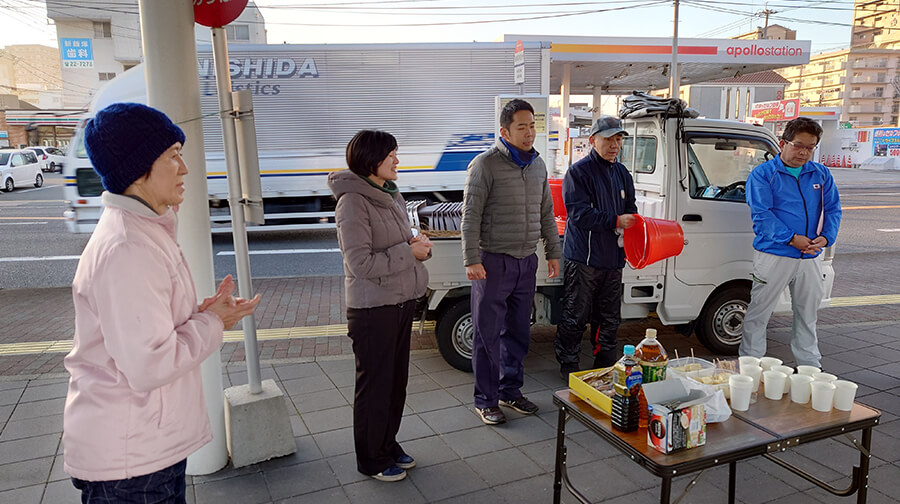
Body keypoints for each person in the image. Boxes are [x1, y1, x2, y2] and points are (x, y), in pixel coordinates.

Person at [63, 102, 261, 503]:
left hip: (144, 448)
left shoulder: (143, 231)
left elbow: (147, 330)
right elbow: (149, 364)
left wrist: (202, 313)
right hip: (132, 461)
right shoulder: (127, 248)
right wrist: (212, 323)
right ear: (139, 170)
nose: (184, 168)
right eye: (173, 156)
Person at [328, 130, 431, 482]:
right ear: (372, 160)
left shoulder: (391, 194)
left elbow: (400, 242)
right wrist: (409, 251)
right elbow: (360, 264)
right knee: (375, 387)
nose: (397, 161)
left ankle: (387, 444)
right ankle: (371, 459)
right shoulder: (352, 203)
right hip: (373, 309)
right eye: (391, 155)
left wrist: (417, 244)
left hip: (400, 302)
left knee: (395, 383)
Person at [461, 99, 562, 425]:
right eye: (522, 127)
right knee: (487, 335)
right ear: (504, 132)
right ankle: (486, 400)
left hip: (525, 262)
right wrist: (471, 259)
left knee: (518, 332)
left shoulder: (538, 165)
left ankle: (510, 390)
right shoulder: (485, 165)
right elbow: (470, 216)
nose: (529, 132)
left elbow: (546, 212)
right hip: (492, 263)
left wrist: (553, 251)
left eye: (532, 125)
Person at [741, 117, 841, 367]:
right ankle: (750, 365)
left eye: (810, 147)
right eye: (798, 145)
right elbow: (761, 215)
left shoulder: (820, 173)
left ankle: (809, 366)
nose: (804, 153)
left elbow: (833, 209)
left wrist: (825, 238)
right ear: (783, 143)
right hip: (773, 254)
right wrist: (791, 239)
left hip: (810, 255)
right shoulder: (764, 174)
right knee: (759, 312)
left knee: (807, 314)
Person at [554, 116, 638, 378]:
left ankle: (604, 362)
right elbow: (578, 214)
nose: (615, 145)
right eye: (608, 139)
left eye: (618, 139)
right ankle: (569, 364)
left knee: (610, 316)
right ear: (592, 140)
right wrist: (615, 220)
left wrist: (631, 223)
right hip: (584, 258)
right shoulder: (578, 172)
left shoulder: (622, 173)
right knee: (575, 314)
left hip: (613, 258)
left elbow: (631, 208)